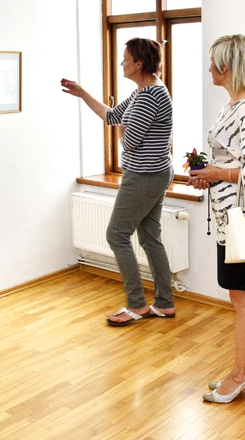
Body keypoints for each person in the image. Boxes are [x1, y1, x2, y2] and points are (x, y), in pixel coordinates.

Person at [60, 38, 176, 326]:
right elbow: (112, 116)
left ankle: (137, 304)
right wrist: (82, 93)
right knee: (149, 237)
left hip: (144, 176)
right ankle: (164, 303)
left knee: (116, 234)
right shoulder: (143, 92)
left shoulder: (150, 97)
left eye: (125, 58)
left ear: (139, 64)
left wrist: (126, 132)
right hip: (154, 173)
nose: (121, 63)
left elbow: (131, 141)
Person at [187, 34, 245, 404]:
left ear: (226, 66)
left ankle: (241, 375)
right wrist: (208, 174)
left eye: (213, 62)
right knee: (239, 296)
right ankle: (244, 371)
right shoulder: (231, 106)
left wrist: (215, 174)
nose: (208, 68)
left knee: (242, 298)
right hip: (229, 218)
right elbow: (231, 162)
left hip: (244, 219)